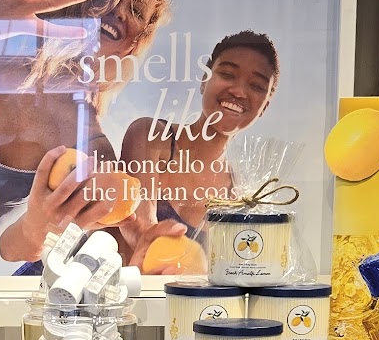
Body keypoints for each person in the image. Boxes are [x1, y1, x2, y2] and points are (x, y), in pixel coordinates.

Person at [0, 0, 170, 267]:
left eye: (135, 9)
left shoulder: (90, 140)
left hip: (10, 280)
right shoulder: (7, 54)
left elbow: (10, 249)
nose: (119, 10)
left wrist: (34, 230)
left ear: (131, 45)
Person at [119, 29, 280, 241]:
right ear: (204, 80)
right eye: (227, 74)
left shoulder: (242, 193)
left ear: (264, 106)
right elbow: (139, 230)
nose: (239, 92)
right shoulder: (152, 136)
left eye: (256, 86)